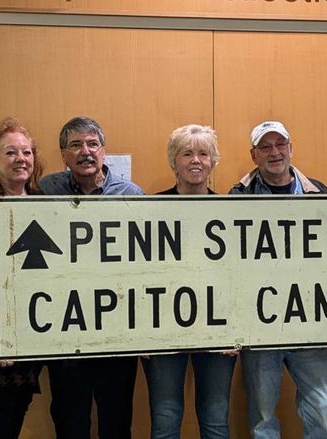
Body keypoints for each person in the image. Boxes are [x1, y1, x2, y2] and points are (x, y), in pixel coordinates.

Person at [229, 120, 327, 439]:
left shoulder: (319, 193)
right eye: (265, 146)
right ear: (253, 155)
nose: (274, 152)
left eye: (280, 144)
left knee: (323, 409)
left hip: (309, 323)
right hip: (259, 325)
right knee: (262, 416)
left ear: (291, 148)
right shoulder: (236, 198)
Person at [39, 116, 144, 438]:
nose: (85, 152)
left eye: (92, 144)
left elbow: (143, 264)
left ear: (103, 150)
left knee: (116, 420)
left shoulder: (131, 195)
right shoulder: (45, 191)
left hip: (116, 331)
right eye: (75, 145)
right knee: (70, 421)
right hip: (67, 330)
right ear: (63, 154)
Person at [142, 124, 237, 439]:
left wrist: (233, 330)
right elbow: (139, 275)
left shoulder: (230, 212)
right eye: (187, 153)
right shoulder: (150, 211)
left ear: (212, 162)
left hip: (217, 331)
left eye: (203, 153)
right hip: (163, 330)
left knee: (215, 420)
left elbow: (238, 276)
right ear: (174, 162)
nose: (196, 160)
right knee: (166, 420)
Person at [0, 116, 45, 438]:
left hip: (34, 336)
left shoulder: (47, 205)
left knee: (14, 417)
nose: (21, 159)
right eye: (10, 152)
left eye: (26, 152)